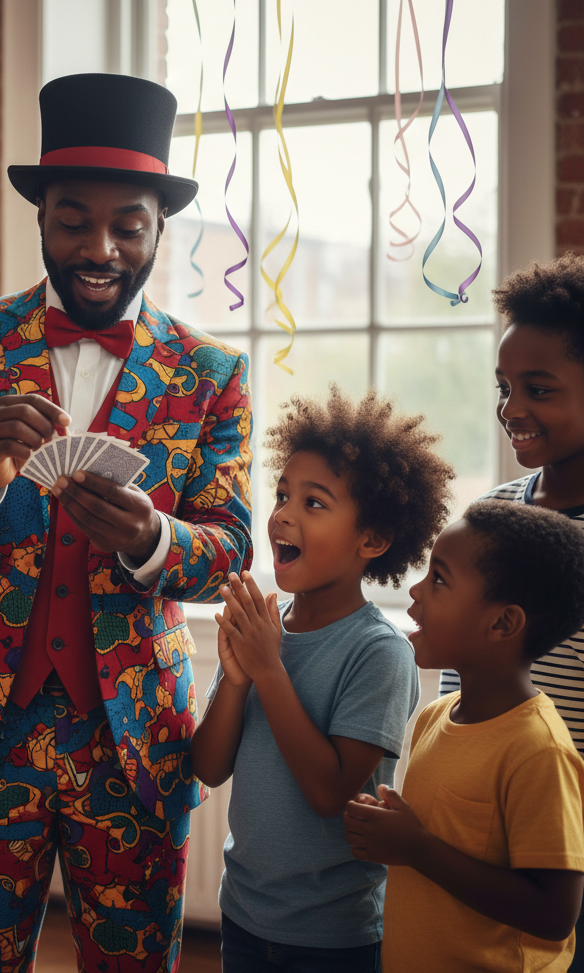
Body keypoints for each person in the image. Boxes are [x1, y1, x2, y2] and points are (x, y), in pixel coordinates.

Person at [0, 72, 253, 972]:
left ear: (159, 228)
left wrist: (150, 541)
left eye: (128, 224)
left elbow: (232, 548)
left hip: (134, 741)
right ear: (40, 217)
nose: (101, 246)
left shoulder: (210, 372)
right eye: (73, 219)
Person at [192, 387, 454, 971]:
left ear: (373, 541)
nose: (282, 513)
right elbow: (208, 768)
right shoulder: (265, 628)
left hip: (334, 937)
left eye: (314, 503)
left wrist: (267, 669)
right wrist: (236, 679)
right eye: (283, 494)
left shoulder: (379, 652)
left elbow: (329, 793)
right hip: (242, 914)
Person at [344, 500, 584, 973]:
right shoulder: (436, 716)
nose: (415, 590)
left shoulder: (538, 749)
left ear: (502, 623)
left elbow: (554, 914)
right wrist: (400, 829)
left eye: (439, 579)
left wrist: (416, 847)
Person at [437, 254, 584, 965]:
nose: (512, 408)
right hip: (473, 840)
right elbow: (456, 680)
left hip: (564, 845)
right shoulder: (490, 517)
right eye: (504, 387)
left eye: (540, 388)